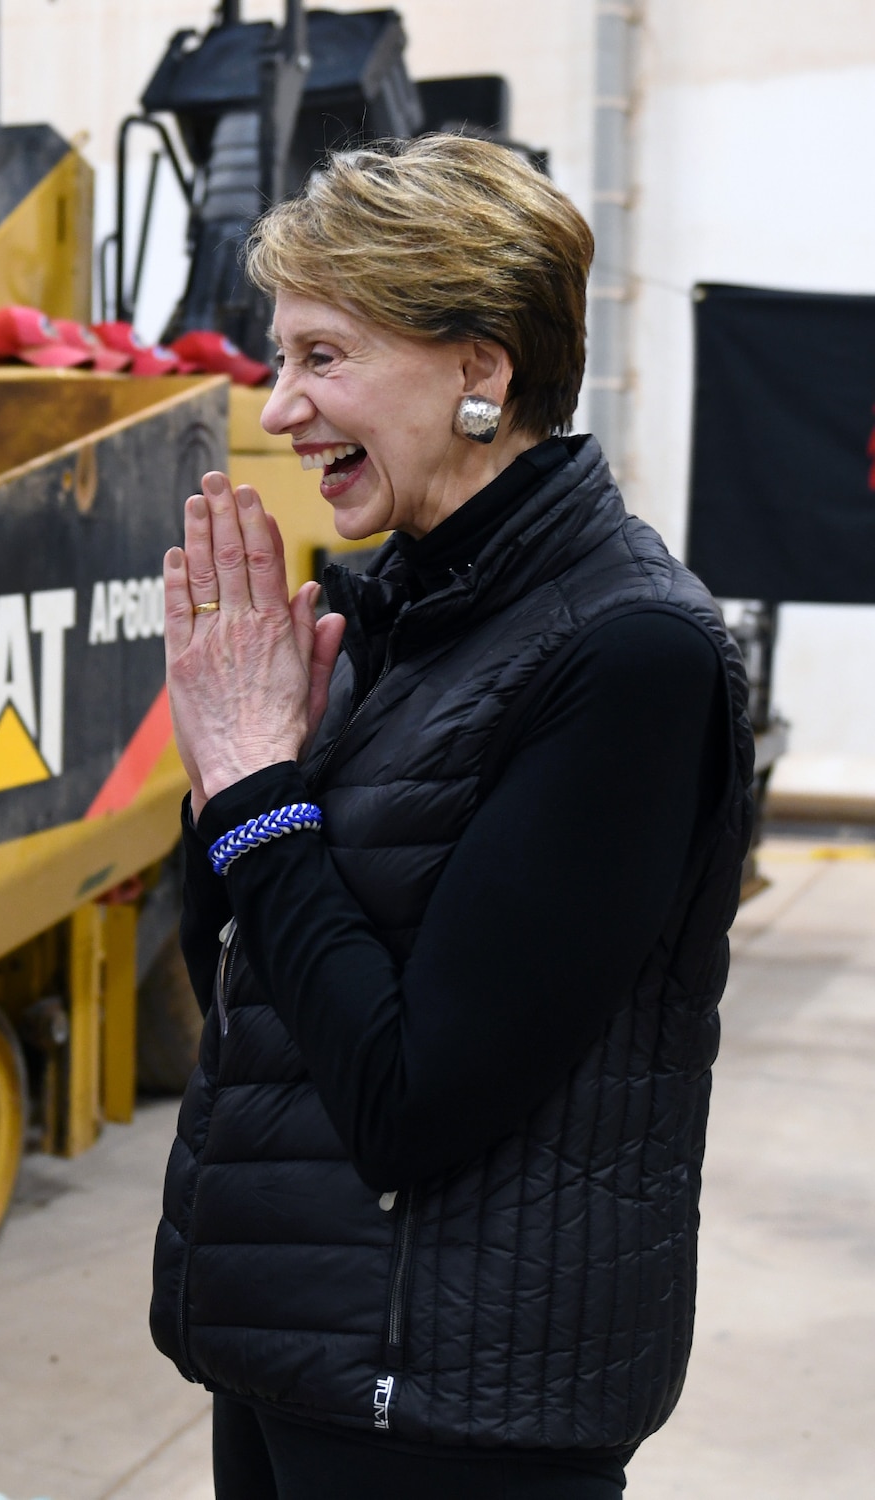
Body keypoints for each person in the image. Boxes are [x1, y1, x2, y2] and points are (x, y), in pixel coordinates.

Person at [148, 135, 753, 1499]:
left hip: (455, 1408)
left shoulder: (627, 656)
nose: (281, 403)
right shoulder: (398, 611)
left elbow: (412, 1101)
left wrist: (256, 788)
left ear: (479, 372)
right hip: (299, 1350)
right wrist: (234, 791)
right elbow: (249, 1007)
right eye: (280, 356)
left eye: (322, 356)